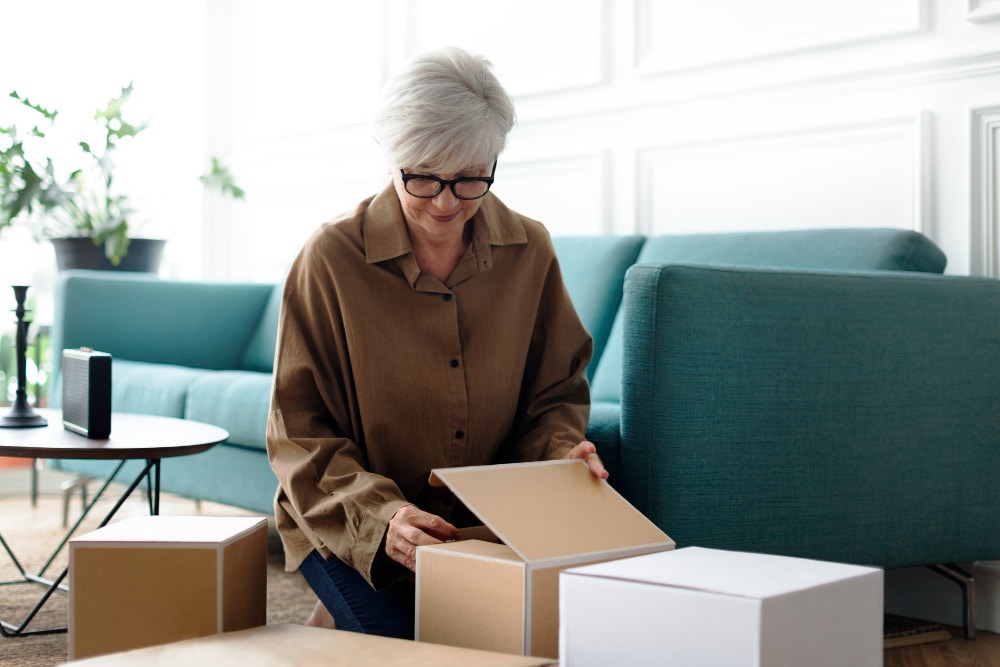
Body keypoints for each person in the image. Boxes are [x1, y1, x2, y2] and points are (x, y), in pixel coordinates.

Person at [266, 45, 607, 639]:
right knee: (406, 648)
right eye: (422, 177)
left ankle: (330, 629)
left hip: (483, 527)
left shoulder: (530, 250)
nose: (447, 203)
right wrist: (385, 517)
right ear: (394, 156)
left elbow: (555, 393)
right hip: (355, 524)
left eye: (471, 178)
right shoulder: (331, 257)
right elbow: (298, 431)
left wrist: (560, 452)